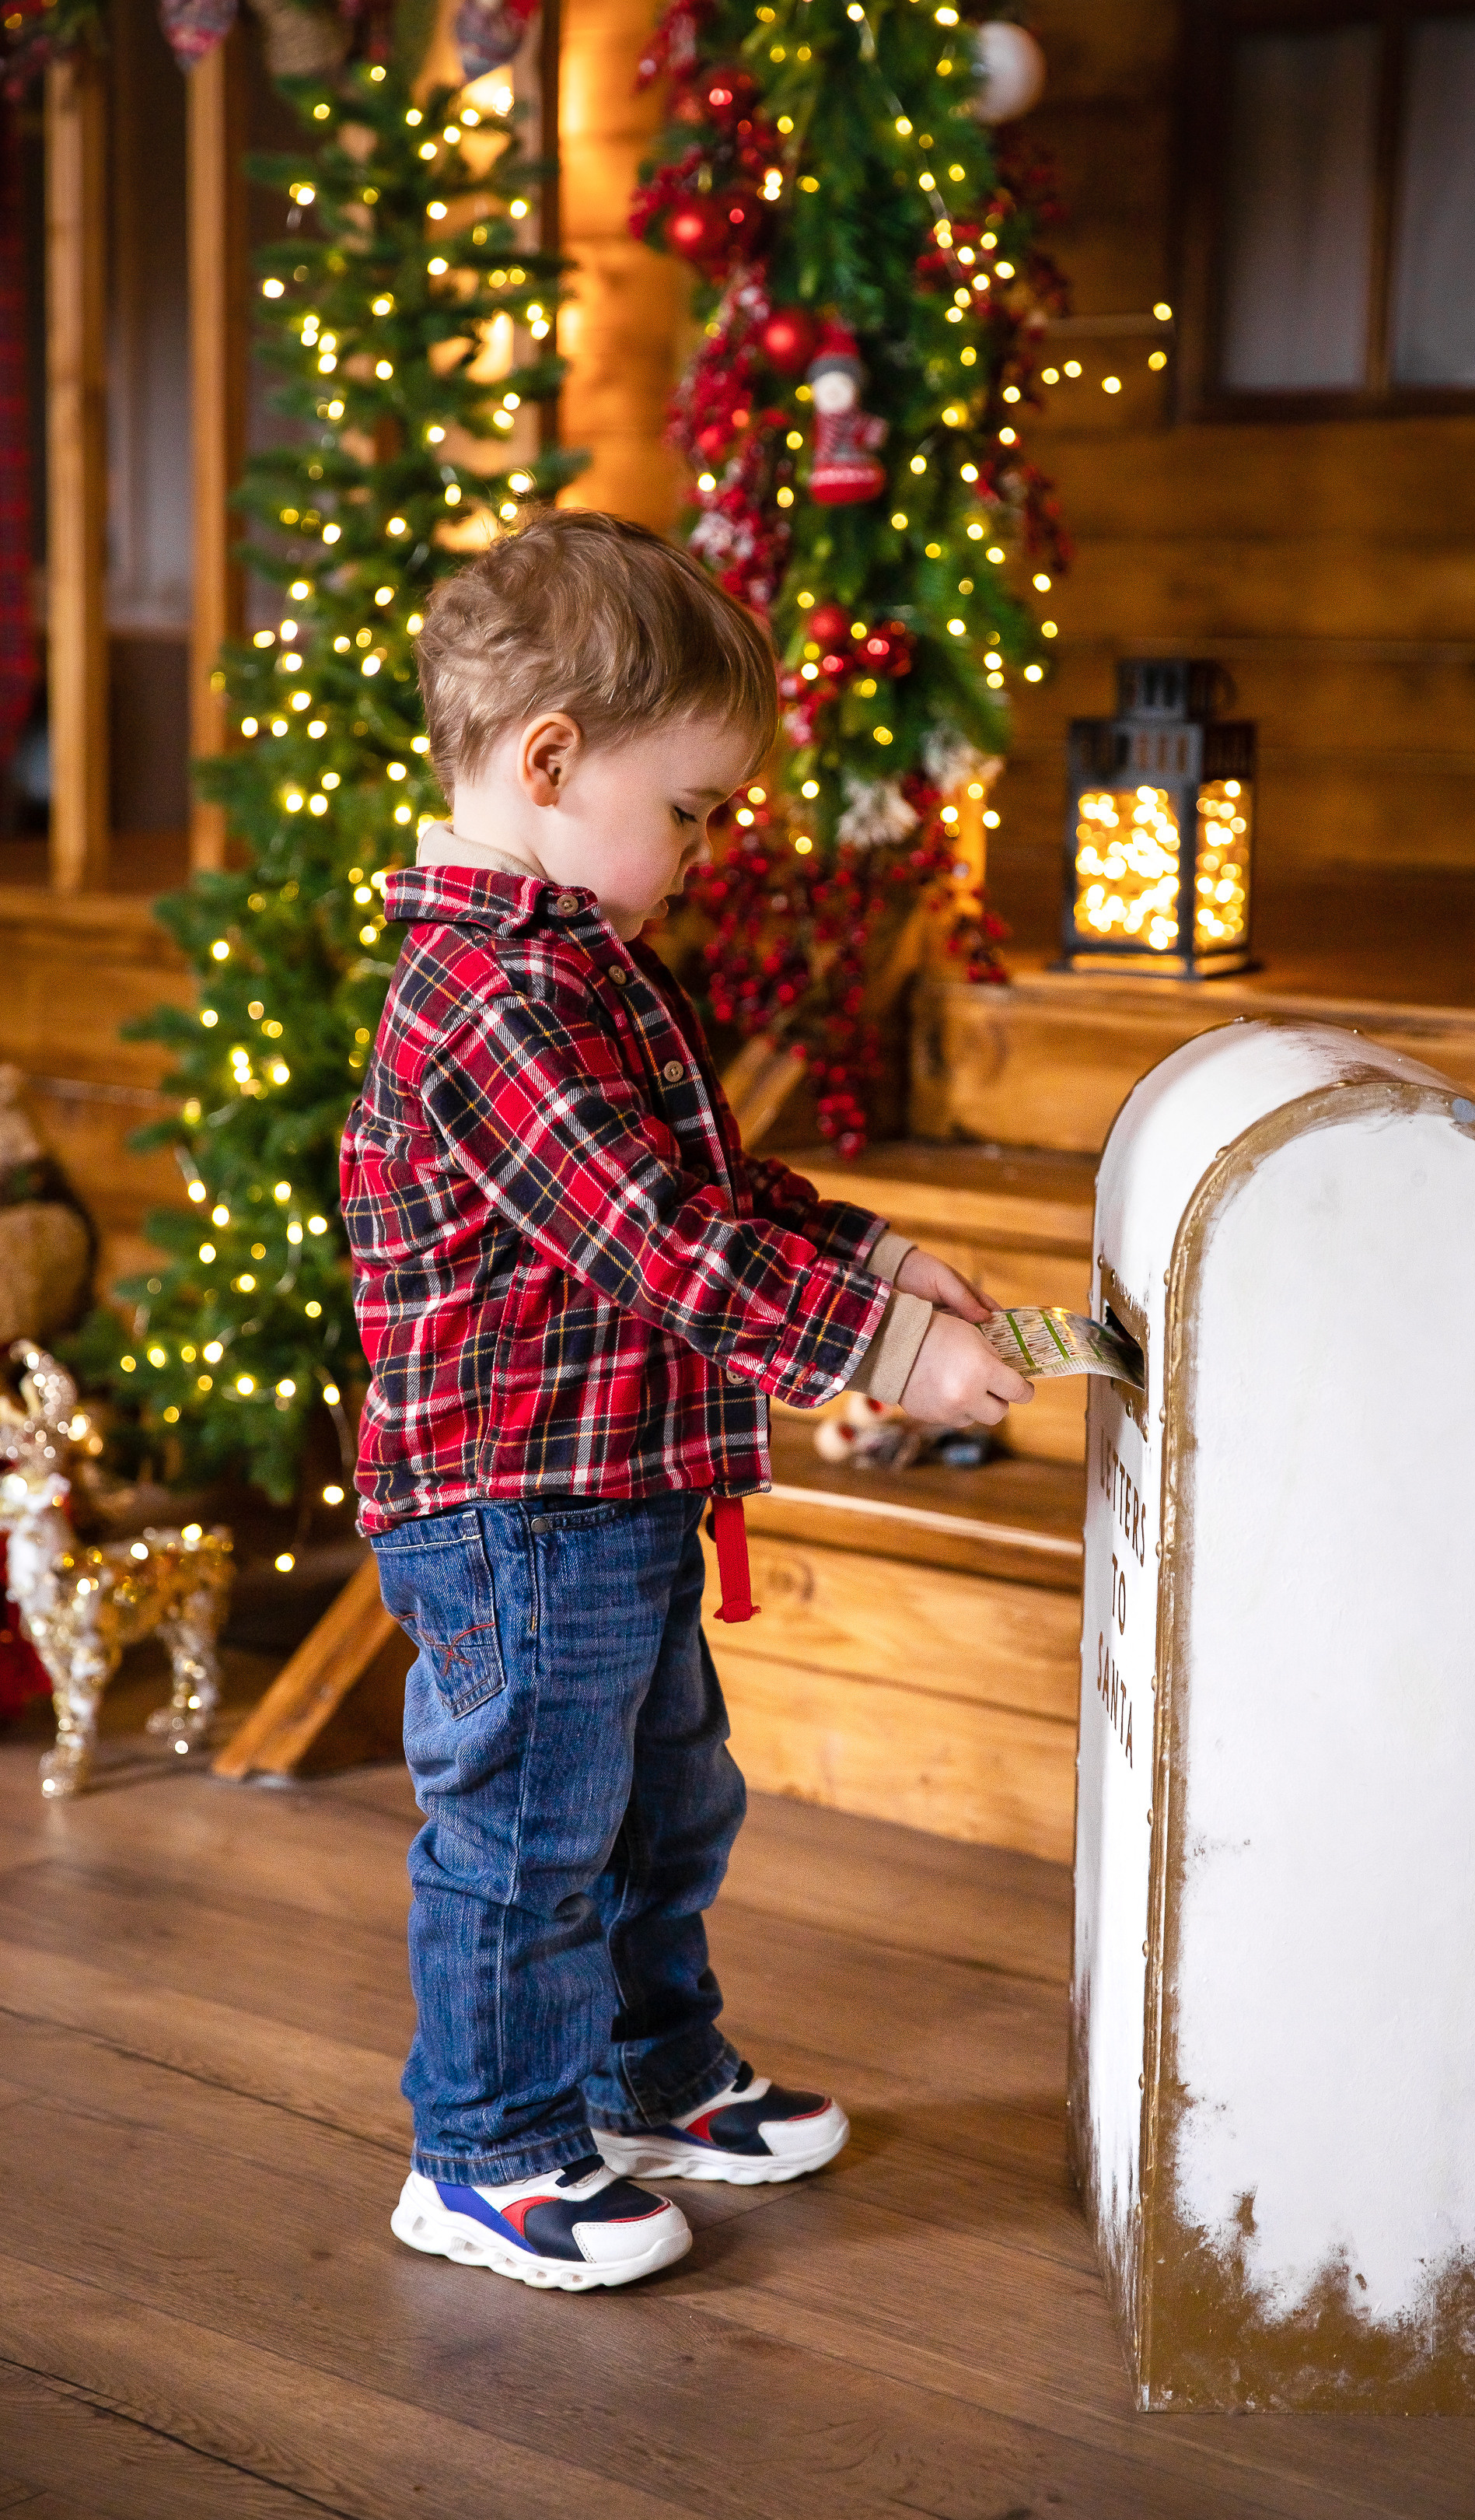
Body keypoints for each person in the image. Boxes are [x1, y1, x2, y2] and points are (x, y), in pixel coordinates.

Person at [341, 509, 1033, 2292]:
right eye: (696, 806)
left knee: (665, 1805)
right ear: (554, 761)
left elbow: (709, 1183)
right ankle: (486, 2149)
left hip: (615, 1495)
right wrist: (879, 1362)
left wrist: (873, 1262)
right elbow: (657, 1243)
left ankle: (645, 2076)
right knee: (525, 1837)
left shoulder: (582, 961)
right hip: (511, 1517)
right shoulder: (489, 995)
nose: (708, 849)